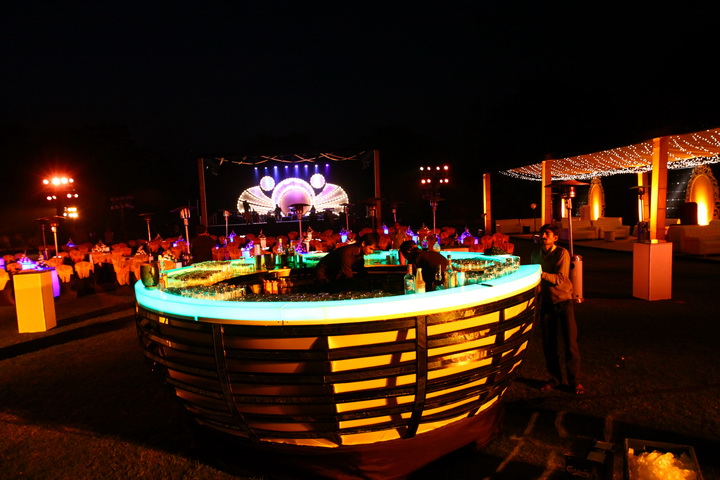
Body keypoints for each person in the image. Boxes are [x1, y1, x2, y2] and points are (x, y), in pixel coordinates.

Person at [530, 224, 584, 395]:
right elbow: (536, 282)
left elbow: (560, 278)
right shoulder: (535, 254)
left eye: (547, 233)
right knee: (549, 344)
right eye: (542, 233)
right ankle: (555, 379)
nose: (543, 236)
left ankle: (574, 381)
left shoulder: (562, 253)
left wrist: (539, 273)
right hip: (546, 302)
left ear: (555, 238)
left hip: (563, 301)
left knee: (570, 343)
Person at [314, 232, 379, 292]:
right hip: (323, 275)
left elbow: (361, 270)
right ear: (363, 243)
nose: (371, 252)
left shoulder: (360, 253)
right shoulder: (347, 252)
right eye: (370, 248)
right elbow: (348, 276)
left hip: (333, 274)